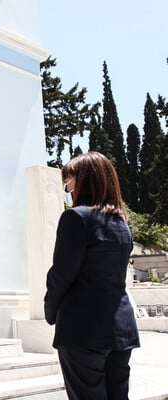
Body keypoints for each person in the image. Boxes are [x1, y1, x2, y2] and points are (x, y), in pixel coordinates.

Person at [44, 151, 140, 399]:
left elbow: (61, 274)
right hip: (120, 329)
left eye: (69, 180)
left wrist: (50, 311)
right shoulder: (121, 223)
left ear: (84, 180)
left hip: (82, 329)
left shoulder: (75, 218)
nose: (67, 187)